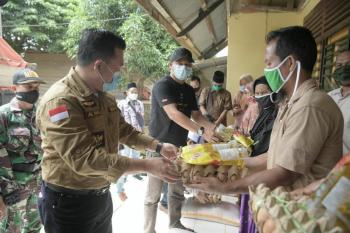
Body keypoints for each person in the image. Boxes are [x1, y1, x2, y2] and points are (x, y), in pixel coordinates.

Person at [36, 29, 180, 233]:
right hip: (68, 203)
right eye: (117, 68)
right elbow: (85, 159)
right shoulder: (61, 101)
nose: (118, 73)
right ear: (99, 65)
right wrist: (147, 165)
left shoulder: (103, 97)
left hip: (100, 195)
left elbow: (124, 131)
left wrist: (157, 145)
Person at [187, 26, 343, 197]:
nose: (266, 71)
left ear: (289, 63)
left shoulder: (310, 106)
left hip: (300, 210)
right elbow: (272, 157)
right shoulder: (290, 104)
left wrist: (227, 187)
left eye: (269, 63)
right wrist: (224, 161)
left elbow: (285, 173)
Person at [144, 47, 219, 233]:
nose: (184, 68)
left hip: (179, 147)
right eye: (180, 64)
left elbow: (196, 115)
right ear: (170, 65)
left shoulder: (188, 89)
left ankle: (175, 223)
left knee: (176, 190)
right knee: (153, 193)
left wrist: (213, 130)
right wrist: (201, 132)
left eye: (187, 65)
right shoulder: (162, 85)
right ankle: (148, 229)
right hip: (158, 145)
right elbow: (173, 114)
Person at [0, 69, 45, 232]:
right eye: (29, 87)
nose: (34, 91)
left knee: (34, 227)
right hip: (12, 190)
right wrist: (6, 192)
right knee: (11, 229)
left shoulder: (40, 115)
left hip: (36, 186)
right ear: (14, 88)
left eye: (36, 87)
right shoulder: (4, 115)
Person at [239, 75, 278, 233]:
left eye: (265, 91)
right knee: (250, 212)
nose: (261, 96)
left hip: (265, 173)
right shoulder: (263, 113)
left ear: (274, 91)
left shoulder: (278, 114)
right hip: (254, 169)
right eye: (258, 93)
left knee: (261, 217)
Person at [116, 82, 145, 201]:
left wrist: (142, 134)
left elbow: (141, 120)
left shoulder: (140, 104)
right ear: (127, 93)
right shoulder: (122, 104)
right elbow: (118, 121)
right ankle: (120, 188)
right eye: (132, 91)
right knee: (124, 160)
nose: (134, 94)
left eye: (136, 92)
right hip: (125, 136)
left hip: (137, 135)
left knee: (136, 157)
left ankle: (133, 174)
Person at [328, 50, 350, 154]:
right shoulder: (329, 97)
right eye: (339, 65)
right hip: (325, 166)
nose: (344, 68)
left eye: (348, 64)